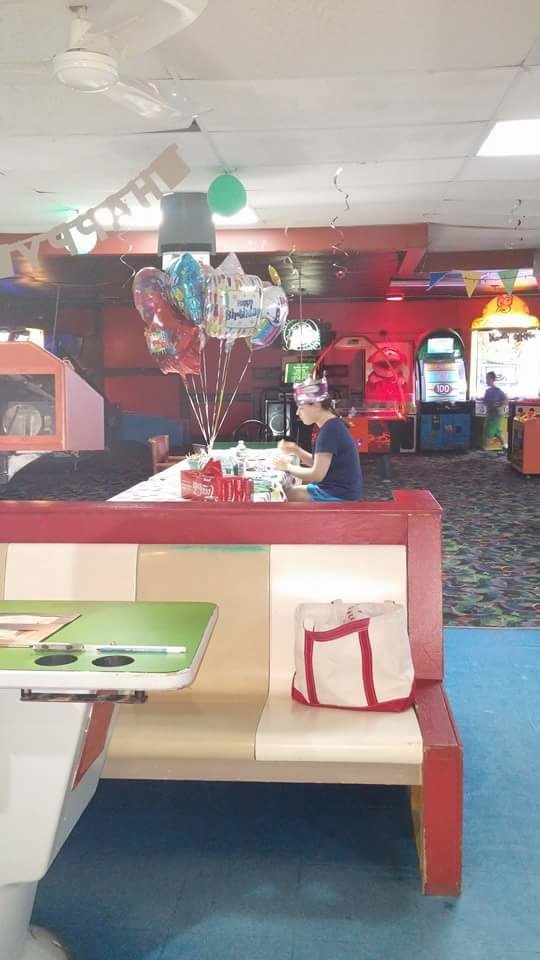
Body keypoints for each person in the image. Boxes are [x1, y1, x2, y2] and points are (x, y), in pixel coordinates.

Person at [273, 376, 363, 502]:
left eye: (301, 407)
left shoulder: (329, 431)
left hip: (340, 495)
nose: (297, 413)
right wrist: (296, 450)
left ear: (315, 405)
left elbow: (317, 474)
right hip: (341, 490)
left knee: (283, 495)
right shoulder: (332, 425)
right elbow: (320, 464)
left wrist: (287, 466)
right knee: (290, 487)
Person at [483, 371, 507, 449]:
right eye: (486, 378)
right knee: (497, 431)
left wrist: (500, 407)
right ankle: (505, 446)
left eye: (488, 378)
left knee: (489, 431)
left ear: (492, 379)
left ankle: (486, 448)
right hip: (491, 414)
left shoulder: (497, 391)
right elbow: (485, 402)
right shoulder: (488, 391)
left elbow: (505, 400)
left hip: (496, 415)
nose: (486, 380)